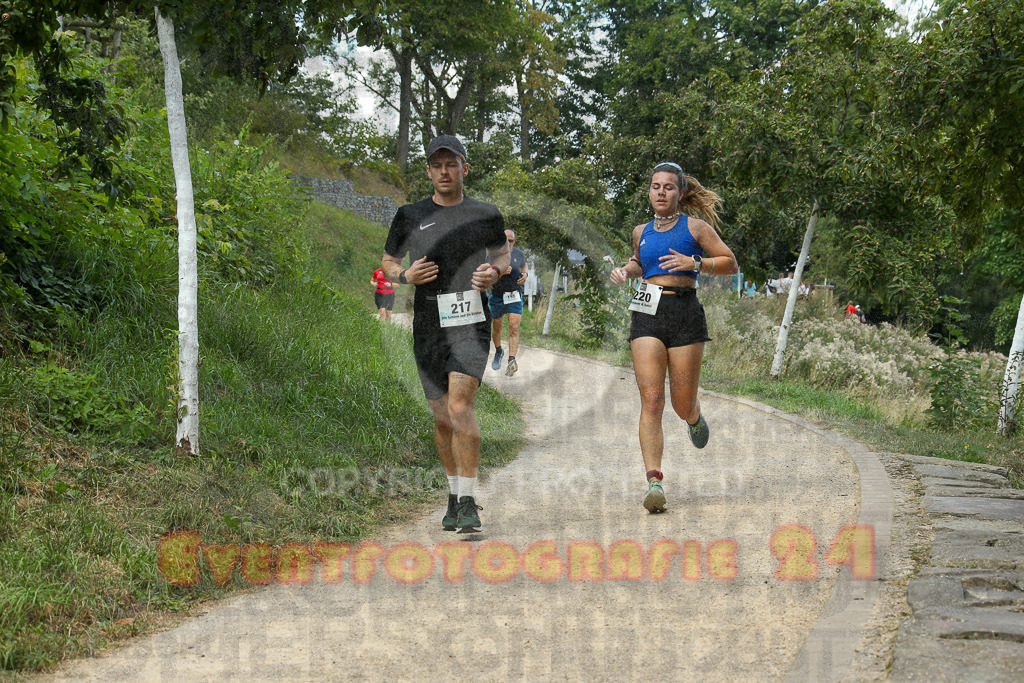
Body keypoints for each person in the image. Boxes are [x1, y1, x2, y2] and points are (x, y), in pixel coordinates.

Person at [380, 135, 509, 533]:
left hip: (470, 323)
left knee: (459, 407)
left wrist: (495, 272)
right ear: (428, 171)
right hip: (428, 326)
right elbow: (387, 262)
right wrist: (405, 275)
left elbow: (502, 255)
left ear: (465, 168)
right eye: (437, 165)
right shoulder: (409, 214)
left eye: (451, 164)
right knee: (441, 419)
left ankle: (468, 502)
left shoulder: (486, 214)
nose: (444, 171)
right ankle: (454, 493)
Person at [609, 162, 737, 513]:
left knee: (681, 403)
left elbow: (730, 263)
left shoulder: (695, 227)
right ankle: (654, 482)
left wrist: (696, 262)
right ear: (649, 191)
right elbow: (639, 262)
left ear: (680, 193)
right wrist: (626, 271)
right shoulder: (641, 230)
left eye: (668, 187)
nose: (661, 192)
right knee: (651, 400)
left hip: (684, 314)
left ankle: (693, 416)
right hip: (647, 314)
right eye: (655, 186)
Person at [489, 229, 528, 376]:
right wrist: (500, 272)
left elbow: (524, 266)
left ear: (514, 241)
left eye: (510, 240)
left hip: (514, 296)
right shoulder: (492, 255)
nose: (507, 243)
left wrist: (525, 274)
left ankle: (512, 360)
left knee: (514, 327)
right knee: (497, 328)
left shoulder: (518, 254)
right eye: (504, 239)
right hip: (498, 297)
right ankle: (499, 351)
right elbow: (487, 277)